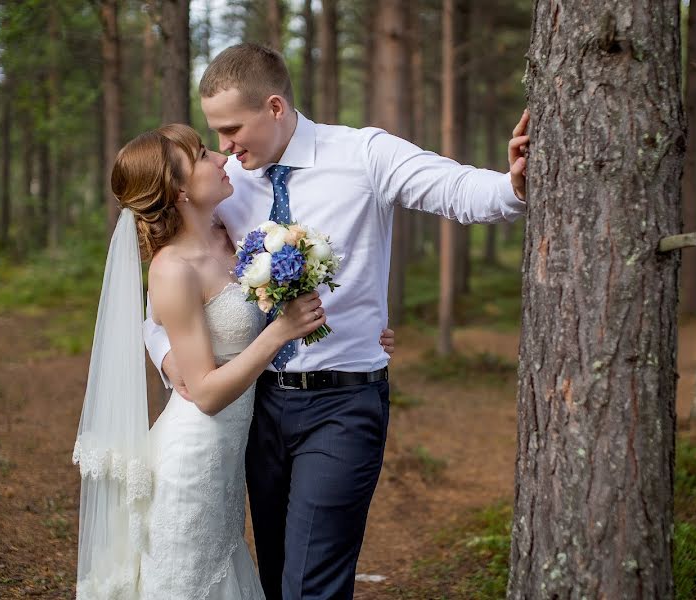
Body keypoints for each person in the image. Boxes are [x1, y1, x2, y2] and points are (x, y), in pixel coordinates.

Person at [144, 43, 530, 600]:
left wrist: (512, 184)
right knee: (276, 575)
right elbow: (165, 296)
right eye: (215, 134)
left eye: (231, 129)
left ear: (274, 108)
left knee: (311, 582)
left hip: (343, 404)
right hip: (256, 409)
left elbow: (456, 189)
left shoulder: (363, 154)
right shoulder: (224, 186)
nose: (224, 148)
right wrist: (166, 355)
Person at [73, 124, 395, 599]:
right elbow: (204, 393)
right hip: (194, 456)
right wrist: (282, 332)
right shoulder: (172, 268)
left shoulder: (233, 236)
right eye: (204, 155)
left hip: (233, 454)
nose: (222, 158)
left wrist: (358, 333)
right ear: (180, 190)